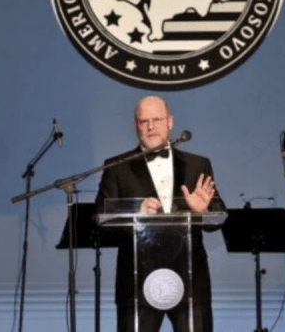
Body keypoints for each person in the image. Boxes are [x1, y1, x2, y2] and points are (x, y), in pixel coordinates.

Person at [95, 95, 225, 332]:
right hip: (137, 284)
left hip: (190, 283)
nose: (151, 127)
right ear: (136, 126)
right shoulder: (116, 168)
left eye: (157, 120)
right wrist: (136, 213)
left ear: (170, 122)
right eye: (144, 121)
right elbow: (100, 220)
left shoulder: (197, 165)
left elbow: (217, 220)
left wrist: (202, 210)